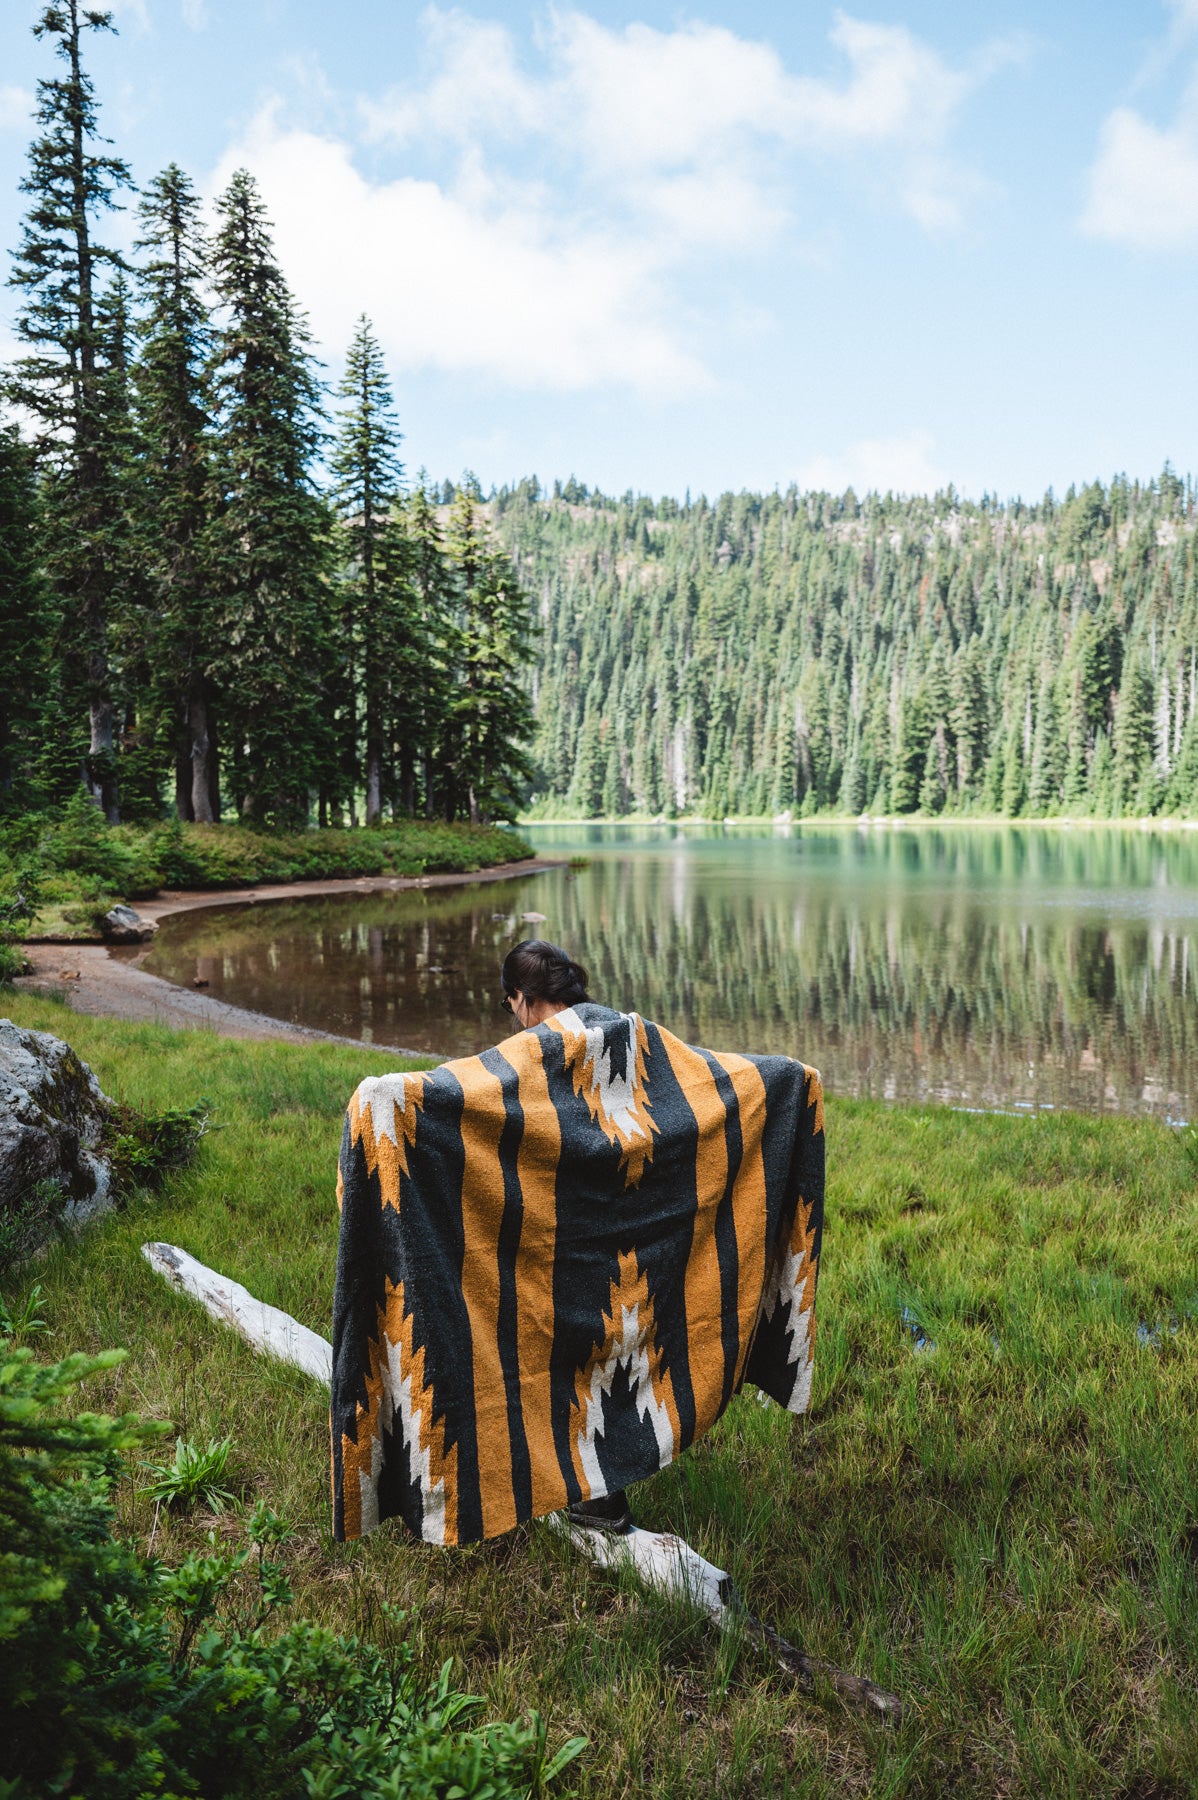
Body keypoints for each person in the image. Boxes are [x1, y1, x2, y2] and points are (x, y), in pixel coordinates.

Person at [499, 938, 636, 1535]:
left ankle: (589, 1498)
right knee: (612, 1348)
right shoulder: (626, 1028)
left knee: (561, 1348)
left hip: (564, 1228)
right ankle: (606, 1486)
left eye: (513, 1007)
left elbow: (473, 1107)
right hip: (631, 1222)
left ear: (525, 1000)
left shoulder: (529, 1049)